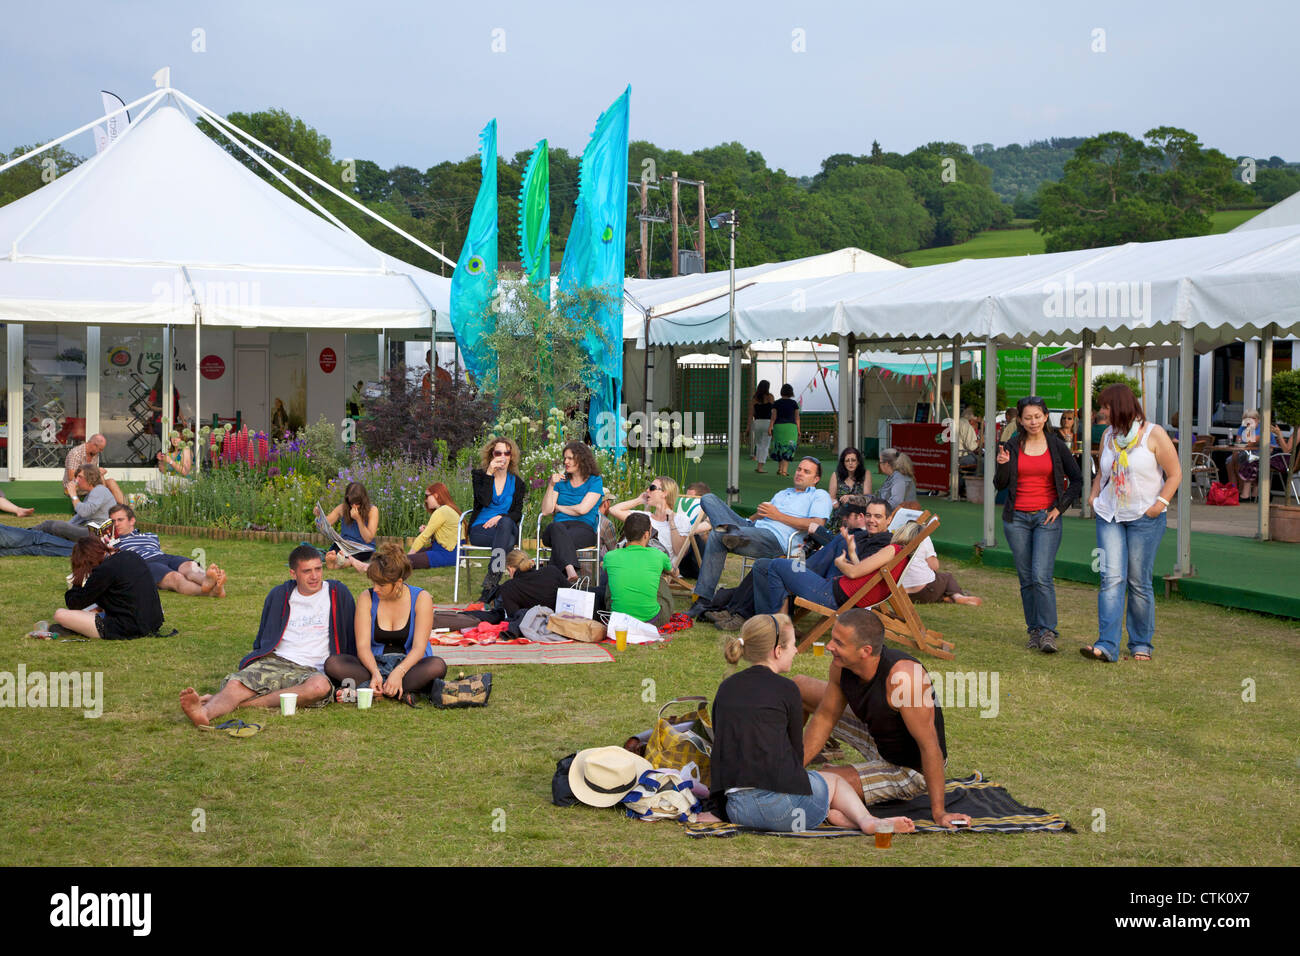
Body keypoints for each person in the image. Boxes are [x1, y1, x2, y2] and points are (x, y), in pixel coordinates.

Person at [710, 613, 916, 835]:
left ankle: (833, 815)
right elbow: (795, 758)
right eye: (793, 645)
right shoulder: (787, 690)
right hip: (781, 810)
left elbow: (720, 752)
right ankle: (866, 821)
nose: (797, 650)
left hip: (738, 811)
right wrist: (818, 784)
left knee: (812, 785)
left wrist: (717, 809)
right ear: (778, 651)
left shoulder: (726, 688)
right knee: (833, 782)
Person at [795, 609, 971, 826]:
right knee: (800, 686)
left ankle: (850, 812)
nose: (830, 646)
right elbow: (825, 718)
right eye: (832, 638)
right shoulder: (842, 667)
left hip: (909, 769)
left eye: (839, 643)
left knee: (821, 784)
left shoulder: (904, 679)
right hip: (877, 736)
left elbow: (930, 746)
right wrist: (792, 767)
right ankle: (801, 758)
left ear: (865, 651)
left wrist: (939, 812)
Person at [179, 545, 357, 727]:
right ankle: (204, 713)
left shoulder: (337, 593)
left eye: (318, 569)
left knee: (320, 688)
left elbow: (352, 634)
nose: (314, 576)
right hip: (276, 661)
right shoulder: (279, 595)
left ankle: (241, 704)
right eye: (307, 571)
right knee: (236, 685)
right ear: (293, 573)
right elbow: (264, 637)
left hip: (312, 670)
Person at [1083, 384, 1181, 663]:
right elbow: (1102, 473)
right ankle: (1106, 645)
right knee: (1111, 578)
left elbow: (1174, 474)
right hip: (1110, 515)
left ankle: (1140, 643)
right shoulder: (1108, 436)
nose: (1102, 412)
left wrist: (1159, 505)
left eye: (1105, 407)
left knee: (1138, 581)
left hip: (1144, 517)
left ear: (1121, 406)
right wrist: (1093, 496)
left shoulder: (1154, 434)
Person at [993, 396, 1083, 653]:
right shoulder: (1010, 446)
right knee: (1027, 578)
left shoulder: (1056, 444)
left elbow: (1076, 479)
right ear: (1019, 420)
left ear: (1045, 417)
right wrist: (1002, 466)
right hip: (1017, 519)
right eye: (1027, 417)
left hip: (1047, 517)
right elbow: (999, 485)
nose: (1033, 421)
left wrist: (1059, 507)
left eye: (1037, 416)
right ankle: (1033, 630)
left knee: (1042, 575)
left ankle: (1047, 632)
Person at [690, 456, 832, 607]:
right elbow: (765, 515)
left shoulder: (819, 495)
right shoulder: (784, 493)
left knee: (717, 535)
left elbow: (817, 524)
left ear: (816, 479)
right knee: (708, 498)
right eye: (798, 469)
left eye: (806, 471)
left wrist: (777, 515)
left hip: (775, 539)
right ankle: (731, 529)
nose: (800, 473)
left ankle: (702, 601)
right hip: (753, 527)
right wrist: (752, 518)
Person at [325, 544, 445, 706]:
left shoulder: (421, 598)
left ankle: (368, 690)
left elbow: (419, 648)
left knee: (436, 666)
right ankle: (398, 690)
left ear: (398, 582)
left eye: (381, 585)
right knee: (333, 664)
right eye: (374, 583)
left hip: (409, 667)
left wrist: (399, 673)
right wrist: (375, 673)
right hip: (373, 665)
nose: (375, 589)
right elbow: (363, 647)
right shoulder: (366, 598)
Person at [753, 497, 891, 616]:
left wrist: (842, 559)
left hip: (833, 591)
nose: (871, 520)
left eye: (878, 516)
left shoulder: (883, 545)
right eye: (869, 515)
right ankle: (773, 622)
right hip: (825, 579)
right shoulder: (864, 536)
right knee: (762, 565)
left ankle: (777, 627)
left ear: (889, 519)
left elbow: (857, 572)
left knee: (776, 565)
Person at [758, 519, 922, 616]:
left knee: (777, 565)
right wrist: (851, 551)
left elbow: (853, 571)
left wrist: (840, 562)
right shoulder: (902, 558)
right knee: (787, 569)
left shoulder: (893, 550)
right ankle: (784, 623)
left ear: (903, 533)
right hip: (842, 596)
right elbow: (862, 570)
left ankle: (780, 625)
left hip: (831, 594)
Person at [55, 537, 167, 639]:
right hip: (153, 622)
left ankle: (79, 628)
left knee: (60, 614)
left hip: (130, 627)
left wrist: (78, 577)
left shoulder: (104, 570)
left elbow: (74, 603)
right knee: (93, 609)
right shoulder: (131, 555)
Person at [108, 503, 226, 597]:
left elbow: (157, 550)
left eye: (120, 520)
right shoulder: (112, 543)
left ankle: (206, 580)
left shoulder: (150, 535)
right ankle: (211, 592)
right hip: (145, 563)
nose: (116, 524)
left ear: (132, 520)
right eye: (113, 521)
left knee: (189, 566)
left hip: (164, 557)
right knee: (175, 577)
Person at [467, 436, 527, 599]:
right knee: (506, 542)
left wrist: (500, 517)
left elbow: (517, 513)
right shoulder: (479, 476)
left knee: (506, 523)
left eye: (507, 453)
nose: (502, 457)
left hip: (506, 525)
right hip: (482, 528)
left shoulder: (518, 483)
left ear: (511, 456)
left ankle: (490, 582)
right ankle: (492, 584)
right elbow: (484, 500)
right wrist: (489, 474)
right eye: (498, 453)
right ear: (491, 455)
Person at [541, 441, 603, 582]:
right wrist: (551, 485)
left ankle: (554, 582)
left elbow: (582, 509)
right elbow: (546, 510)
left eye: (569, 458)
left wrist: (559, 508)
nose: (565, 462)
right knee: (557, 528)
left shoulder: (595, 481)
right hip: (557, 529)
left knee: (560, 540)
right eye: (565, 458)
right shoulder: (560, 483)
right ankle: (570, 568)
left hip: (583, 530)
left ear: (581, 459)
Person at [603, 512, 673, 626]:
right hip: (652, 621)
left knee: (612, 576)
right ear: (646, 534)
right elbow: (673, 572)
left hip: (618, 620)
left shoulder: (610, 556)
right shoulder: (658, 555)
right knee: (659, 579)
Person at [899, 521, 981, 606]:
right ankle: (958, 596)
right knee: (946, 577)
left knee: (935, 583)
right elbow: (935, 566)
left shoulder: (896, 539)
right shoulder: (923, 537)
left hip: (904, 595)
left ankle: (945, 598)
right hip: (925, 591)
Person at [609, 475, 693, 557]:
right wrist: (639, 500)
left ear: (665, 493)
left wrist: (671, 522)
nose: (647, 490)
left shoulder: (681, 520)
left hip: (662, 569)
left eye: (652, 488)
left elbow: (680, 552)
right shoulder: (643, 517)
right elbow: (613, 510)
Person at [33, 464, 115, 542]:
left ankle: (28, 534)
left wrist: (73, 495)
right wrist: (68, 526)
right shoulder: (94, 492)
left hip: (100, 533)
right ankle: (28, 533)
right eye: (76, 477)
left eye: (80, 477)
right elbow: (80, 517)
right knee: (50, 524)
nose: (76, 480)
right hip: (92, 530)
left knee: (57, 526)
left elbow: (84, 512)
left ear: (90, 478)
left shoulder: (99, 490)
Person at [317, 481, 379, 570]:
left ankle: (340, 562)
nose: (354, 506)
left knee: (353, 556)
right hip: (345, 546)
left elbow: (368, 538)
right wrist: (319, 515)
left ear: (363, 500)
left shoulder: (372, 510)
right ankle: (337, 560)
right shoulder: (342, 508)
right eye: (351, 503)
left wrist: (358, 519)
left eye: (357, 503)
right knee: (337, 550)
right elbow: (324, 524)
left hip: (363, 548)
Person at [497, 549, 570, 617]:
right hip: (562, 623)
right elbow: (571, 593)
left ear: (510, 569)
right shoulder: (552, 571)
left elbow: (514, 616)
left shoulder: (508, 587)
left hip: (532, 628)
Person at [405, 482, 460, 571]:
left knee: (404, 561)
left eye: (427, 496)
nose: (426, 500)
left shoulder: (441, 511)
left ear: (436, 495)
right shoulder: (449, 509)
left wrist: (408, 556)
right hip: (456, 553)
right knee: (404, 557)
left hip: (446, 554)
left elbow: (423, 537)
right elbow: (448, 535)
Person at [63, 434, 125, 505]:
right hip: (74, 486)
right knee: (100, 479)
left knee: (111, 482)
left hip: (88, 483)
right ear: (94, 445)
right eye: (100, 449)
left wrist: (98, 473)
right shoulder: (75, 453)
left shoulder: (94, 453)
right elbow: (71, 477)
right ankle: (106, 506)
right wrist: (96, 474)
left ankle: (124, 508)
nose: (101, 451)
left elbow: (92, 473)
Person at [826, 446, 871, 536]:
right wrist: (835, 503)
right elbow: (831, 498)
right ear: (843, 463)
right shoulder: (836, 475)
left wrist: (852, 497)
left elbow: (868, 498)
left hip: (859, 515)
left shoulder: (865, 474)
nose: (850, 463)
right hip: (840, 515)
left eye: (853, 460)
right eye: (847, 460)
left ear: (858, 462)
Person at [769, 384, 801, 476]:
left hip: (779, 427)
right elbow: (797, 418)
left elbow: (773, 417)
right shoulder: (794, 403)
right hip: (791, 427)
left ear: (781, 391)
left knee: (779, 447)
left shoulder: (776, 403)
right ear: (791, 392)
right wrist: (798, 429)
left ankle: (779, 469)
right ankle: (784, 471)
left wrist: (770, 427)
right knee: (788, 448)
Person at [748, 380, 774, 472]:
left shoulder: (754, 398)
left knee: (759, 445)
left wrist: (748, 427)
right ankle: (760, 467)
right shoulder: (770, 397)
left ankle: (758, 464)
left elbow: (751, 414)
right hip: (767, 422)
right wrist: (772, 424)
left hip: (757, 423)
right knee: (765, 445)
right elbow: (773, 412)